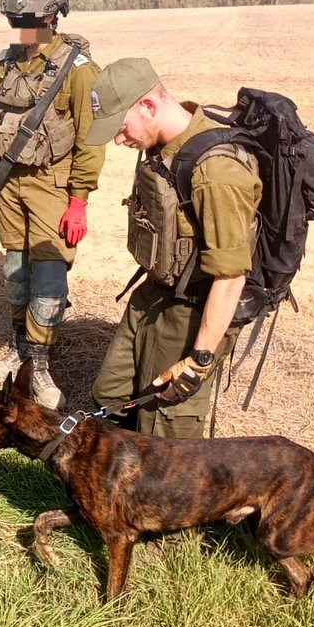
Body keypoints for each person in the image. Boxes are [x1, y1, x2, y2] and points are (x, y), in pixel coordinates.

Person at [85, 58, 262, 438]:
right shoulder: (165, 149)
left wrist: (199, 361)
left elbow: (231, 276)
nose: (119, 140)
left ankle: (153, 488)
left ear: (147, 106)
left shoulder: (217, 170)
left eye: (120, 128)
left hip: (197, 309)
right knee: (109, 396)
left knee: (164, 428)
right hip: (157, 293)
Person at [0, 0, 104, 409]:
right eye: (14, 22)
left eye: (27, 20)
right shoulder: (7, 58)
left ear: (52, 17)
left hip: (53, 186)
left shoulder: (80, 69)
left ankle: (40, 366)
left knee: (49, 281)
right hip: (9, 184)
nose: (20, 30)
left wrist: (79, 202)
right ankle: (20, 348)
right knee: (16, 274)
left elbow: (92, 138)